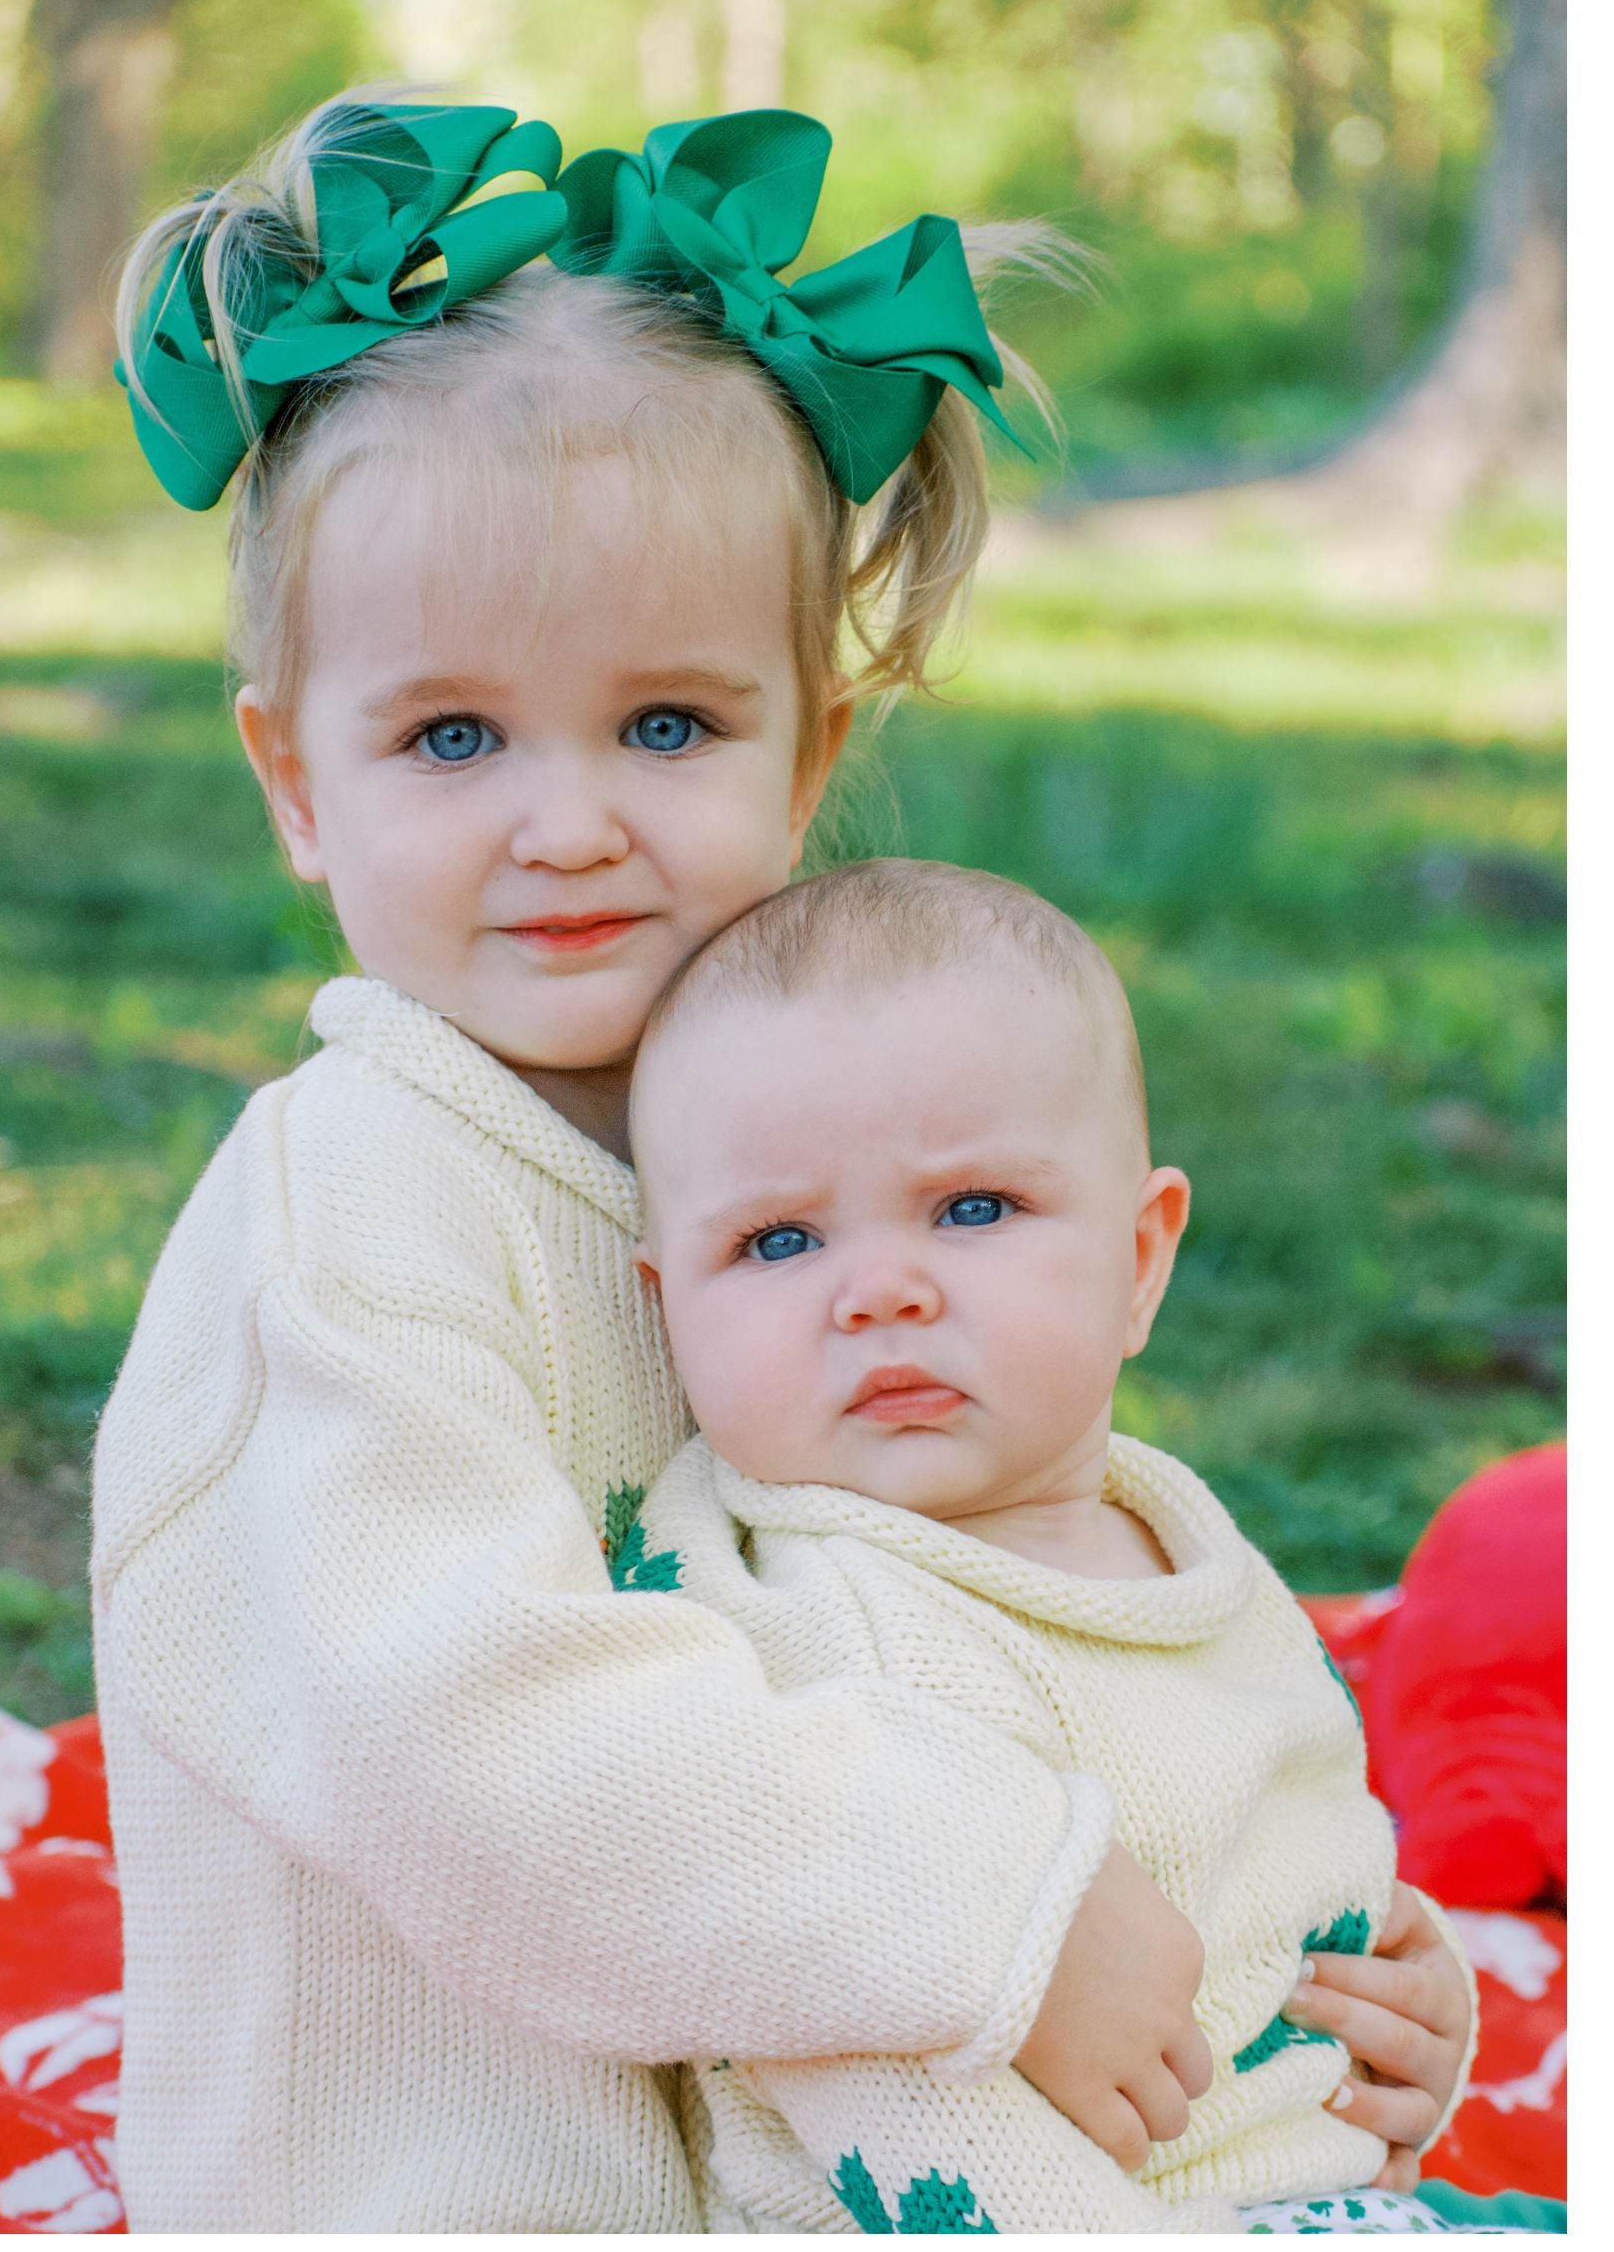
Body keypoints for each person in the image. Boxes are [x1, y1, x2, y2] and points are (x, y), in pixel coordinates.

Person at [91, 92, 1230, 2231]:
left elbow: (971, 1596)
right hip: (445, 2191)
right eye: (452, 737)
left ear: (815, 743)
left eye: (669, 726)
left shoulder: (799, 1139)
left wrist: (1287, 1941)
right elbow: (474, 1743)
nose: (570, 823)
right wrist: (996, 1906)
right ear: (293, 778)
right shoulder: (352, 1216)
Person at [624, 858, 1565, 2235]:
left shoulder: (1170, 1535)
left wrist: (1406, 2017)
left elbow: (1275, 1851)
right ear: (668, 1313)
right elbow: (867, 2073)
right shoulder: (819, 1633)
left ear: (1139, 1260)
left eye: (972, 1209)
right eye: (778, 1241)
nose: (881, 1289)